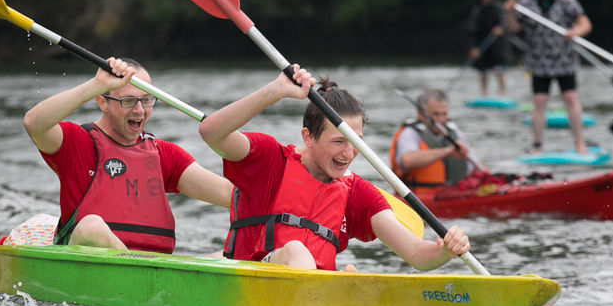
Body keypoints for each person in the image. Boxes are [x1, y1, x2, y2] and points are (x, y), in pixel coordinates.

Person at [197, 65, 470, 272]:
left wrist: (445, 250)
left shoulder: (357, 192)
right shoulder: (270, 160)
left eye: (356, 143)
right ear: (308, 137)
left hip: (312, 293)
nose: (349, 153)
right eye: (339, 141)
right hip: (251, 280)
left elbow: (416, 253)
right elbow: (211, 133)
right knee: (295, 251)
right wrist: (275, 92)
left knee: (351, 276)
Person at [22, 57, 234, 253]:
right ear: (102, 102)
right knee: (91, 227)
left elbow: (230, 195)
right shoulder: (79, 142)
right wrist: (97, 84)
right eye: (129, 100)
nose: (139, 110)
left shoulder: (164, 154)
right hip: (90, 263)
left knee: (228, 257)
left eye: (146, 100)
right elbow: (34, 124)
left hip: (158, 273)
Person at [504, 0, 592, 154]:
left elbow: (585, 23)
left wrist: (575, 31)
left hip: (564, 60)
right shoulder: (525, 1)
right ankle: (537, 146)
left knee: (570, 98)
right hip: (538, 61)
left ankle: (579, 144)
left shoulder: (566, 0)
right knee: (539, 102)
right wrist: (509, 12)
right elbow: (513, 28)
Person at [389, 89, 490, 195]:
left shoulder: (454, 132)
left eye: (444, 114)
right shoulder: (410, 133)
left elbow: (474, 167)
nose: (441, 119)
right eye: (436, 114)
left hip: (454, 194)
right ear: (421, 114)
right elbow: (407, 161)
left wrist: (488, 178)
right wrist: (447, 151)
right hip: (420, 198)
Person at [464, 0, 511, 97]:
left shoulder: (498, 7)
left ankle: (502, 93)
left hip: (498, 45)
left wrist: (500, 28)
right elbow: (472, 31)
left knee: (499, 69)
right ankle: (484, 93)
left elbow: (503, 22)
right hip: (483, 44)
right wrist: (473, 47)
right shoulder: (476, 10)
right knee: (483, 70)